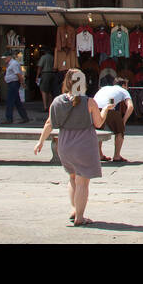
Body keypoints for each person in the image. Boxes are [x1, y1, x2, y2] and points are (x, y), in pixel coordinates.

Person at [35, 69, 109, 226]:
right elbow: (99, 123)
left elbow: (49, 123)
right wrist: (105, 110)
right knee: (83, 182)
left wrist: (40, 141)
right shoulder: (89, 102)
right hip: (84, 143)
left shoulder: (57, 101)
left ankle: (74, 209)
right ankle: (80, 217)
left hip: (64, 144)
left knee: (72, 177)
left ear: (66, 82)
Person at [94, 76, 133, 162]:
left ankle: (99, 155)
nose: (127, 88)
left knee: (98, 130)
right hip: (109, 107)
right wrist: (123, 121)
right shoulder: (123, 91)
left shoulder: (105, 88)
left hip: (95, 108)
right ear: (123, 85)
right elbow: (130, 107)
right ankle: (117, 156)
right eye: (127, 86)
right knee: (120, 131)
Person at [2, 54, 29, 124]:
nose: (4, 60)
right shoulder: (10, 64)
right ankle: (24, 117)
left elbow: (18, 74)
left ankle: (9, 118)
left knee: (10, 101)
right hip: (12, 83)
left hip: (13, 83)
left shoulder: (14, 64)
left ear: (9, 57)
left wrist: (22, 83)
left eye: (5, 58)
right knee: (17, 102)